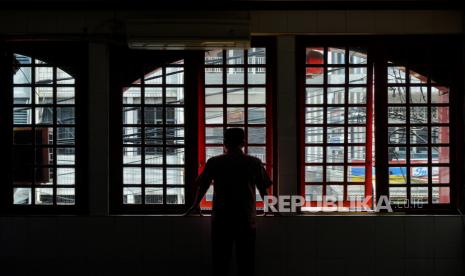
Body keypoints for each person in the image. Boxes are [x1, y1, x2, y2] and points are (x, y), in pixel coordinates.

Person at [186, 127, 272, 276]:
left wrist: (195, 205)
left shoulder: (215, 162)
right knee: (246, 263)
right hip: (246, 219)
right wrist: (270, 208)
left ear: (224, 143)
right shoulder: (254, 162)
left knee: (220, 263)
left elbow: (203, 185)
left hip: (221, 219)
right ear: (243, 143)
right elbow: (263, 189)